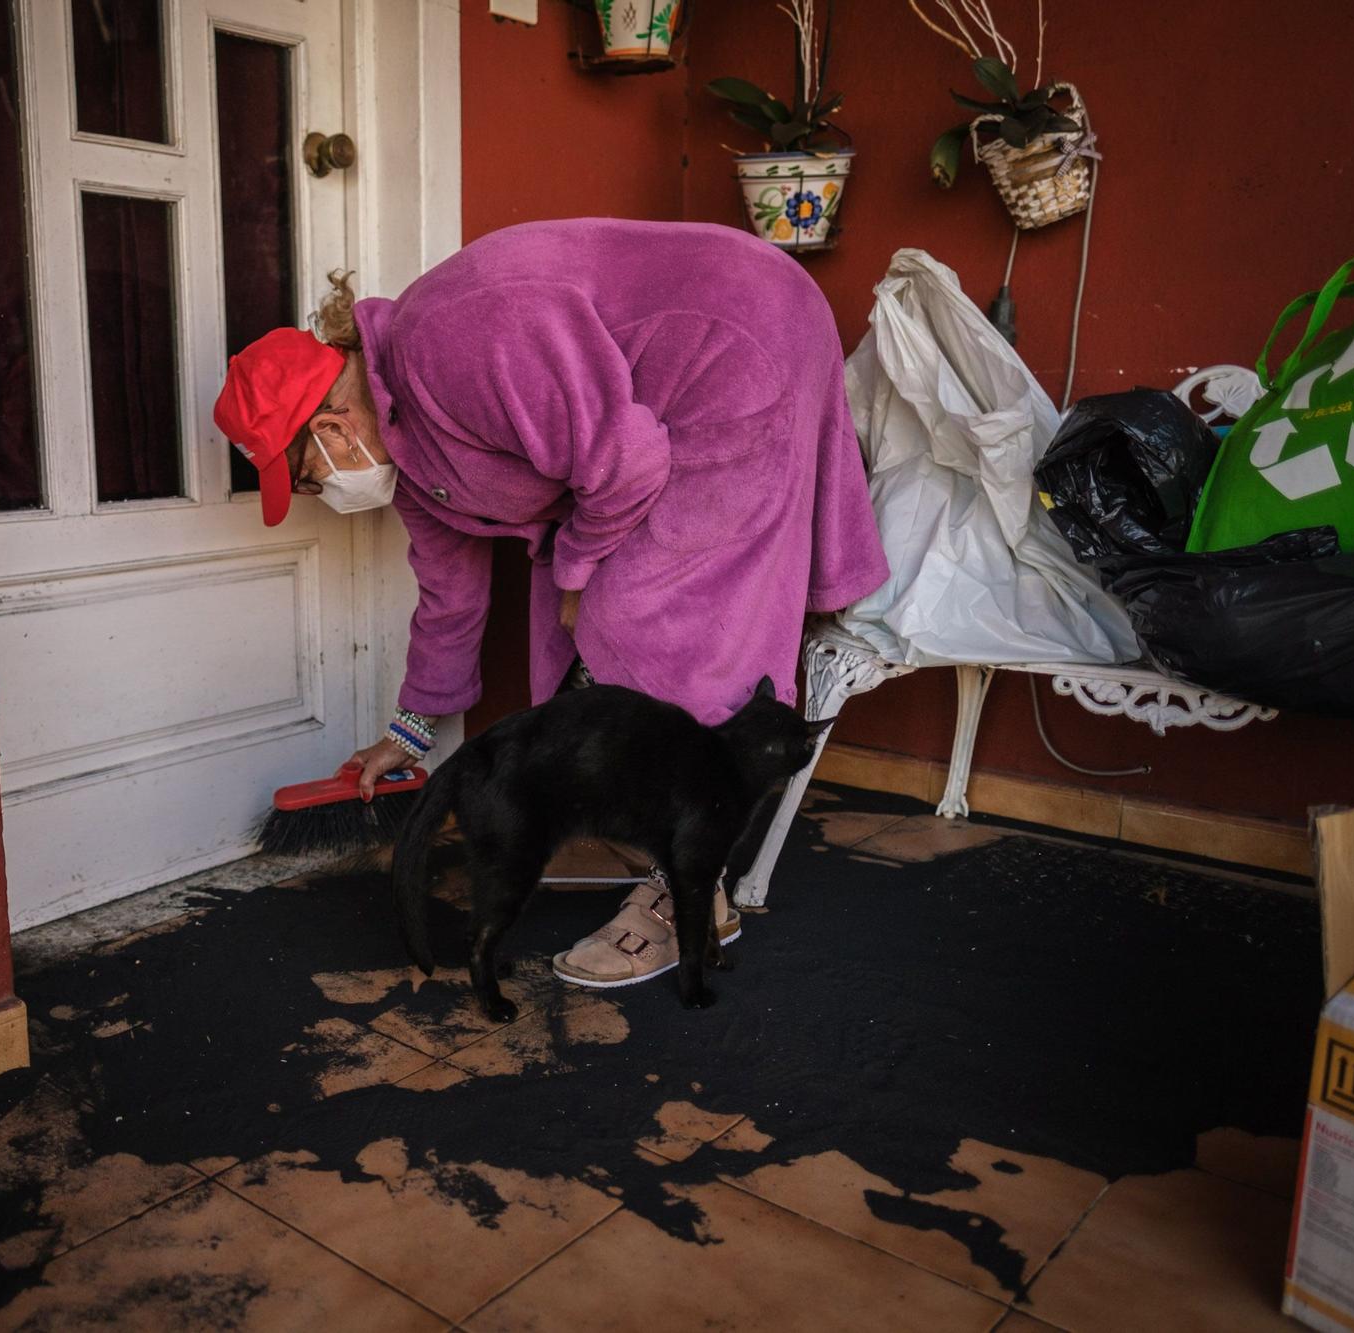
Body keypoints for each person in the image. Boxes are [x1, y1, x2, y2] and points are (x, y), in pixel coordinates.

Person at [213, 218, 888, 989]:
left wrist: (576, 578)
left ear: (331, 428)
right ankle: (637, 829)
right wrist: (407, 731)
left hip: (738, 334)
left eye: (305, 477)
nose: (318, 493)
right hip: (659, 404)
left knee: (642, 612)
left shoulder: (454, 341)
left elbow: (626, 464)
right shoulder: (405, 448)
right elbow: (449, 597)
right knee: (559, 624)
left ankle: (693, 896)